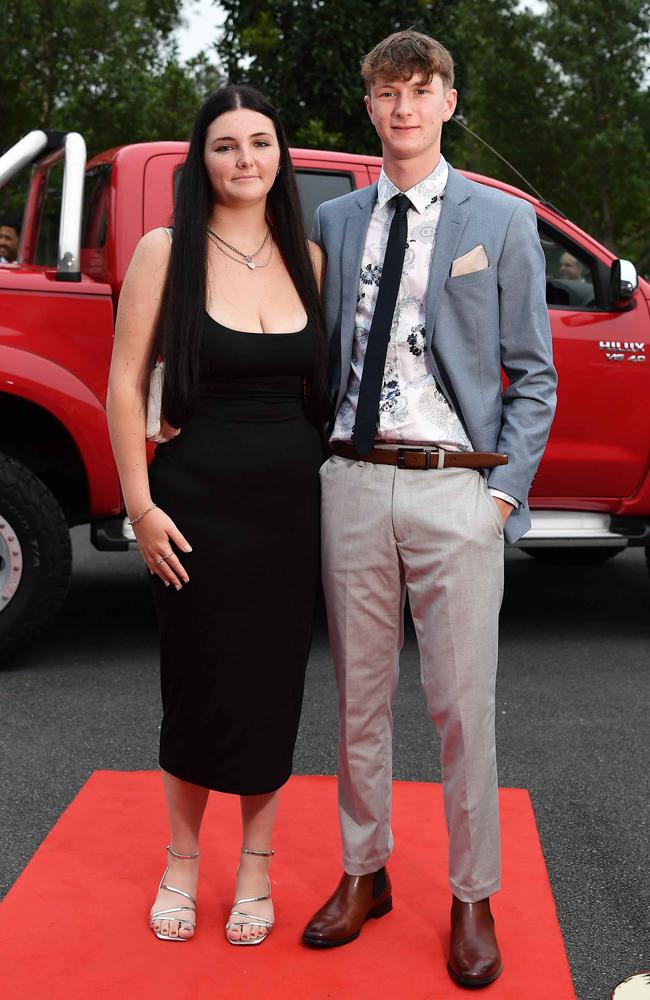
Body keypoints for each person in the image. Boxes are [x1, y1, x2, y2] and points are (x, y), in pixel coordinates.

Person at [301, 30, 557, 988]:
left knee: (460, 709)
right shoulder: (338, 223)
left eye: (421, 89)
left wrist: (500, 497)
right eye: (386, 92)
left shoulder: (499, 220)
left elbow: (534, 376)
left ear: (449, 101)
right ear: (368, 109)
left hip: (458, 486)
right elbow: (317, 356)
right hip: (355, 481)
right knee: (358, 702)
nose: (403, 107)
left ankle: (471, 893)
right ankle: (364, 875)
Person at [106, 85, 327, 946]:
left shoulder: (306, 253)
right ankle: (182, 861)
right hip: (194, 505)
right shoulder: (168, 250)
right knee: (196, 686)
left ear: (281, 156)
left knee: (273, 689)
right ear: (202, 159)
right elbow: (126, 382)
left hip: (293, 509)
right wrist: (140, 503)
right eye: (227, 145)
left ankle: (258, 867)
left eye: (261, 143)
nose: (246, 160)